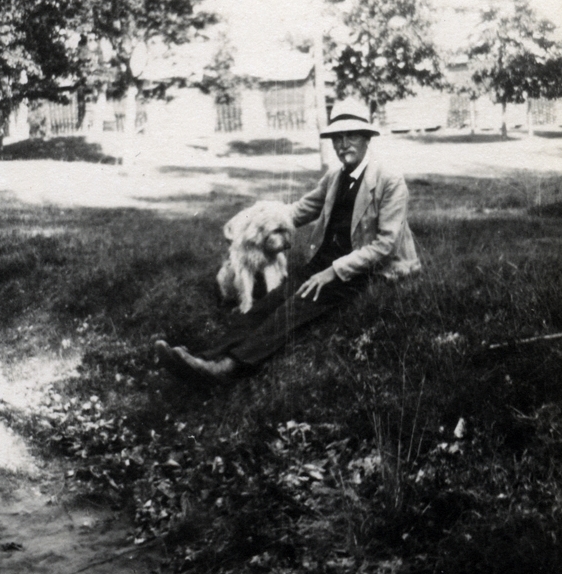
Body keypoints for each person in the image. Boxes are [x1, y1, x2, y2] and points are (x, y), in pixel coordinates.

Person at [155, 104, 420, 385]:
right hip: (324, 262)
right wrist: (249, 221)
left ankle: (227, 368)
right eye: (337, 138)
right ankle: (202, 358)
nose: (343, 145)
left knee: (293, 309)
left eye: (351, 136)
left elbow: (386, 245)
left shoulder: (389, 181)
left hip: (365, 270)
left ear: (367, 138)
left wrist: (332, 272)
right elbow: (296, 212)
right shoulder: (335, 177)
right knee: (267, 305)